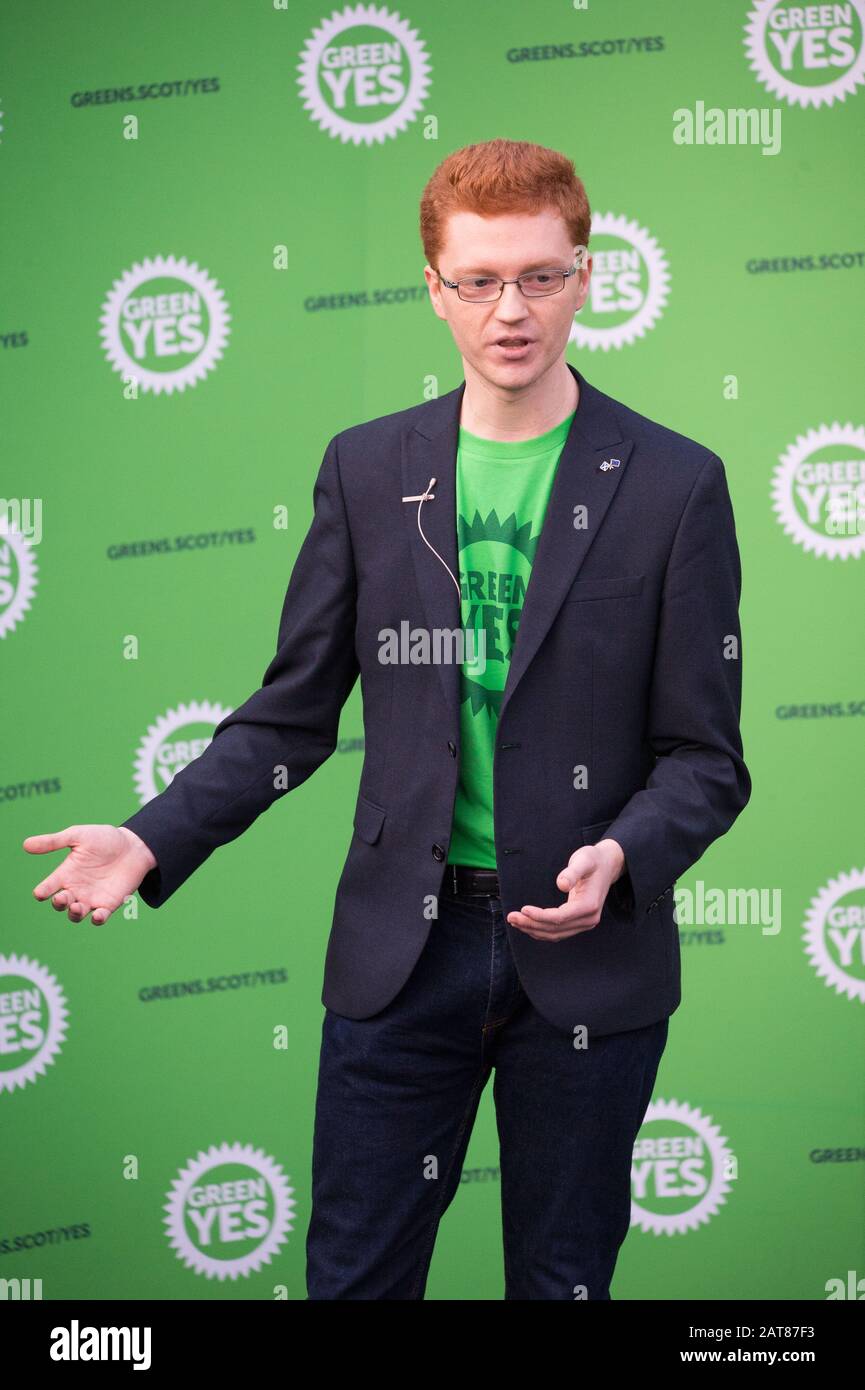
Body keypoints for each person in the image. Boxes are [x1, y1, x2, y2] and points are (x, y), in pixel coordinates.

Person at [24, 138, 750, 1299]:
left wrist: (621, 852)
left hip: (588, 960)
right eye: (478, 281)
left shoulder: (674, 485)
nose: (509, 311)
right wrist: (152, 835)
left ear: (587, 276)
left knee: (562, 1282)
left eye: (540, 277)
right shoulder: (367, 472)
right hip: (402, 958)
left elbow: (703, 757)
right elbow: (290, 717)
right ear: (435, 289)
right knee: (354, 1281)